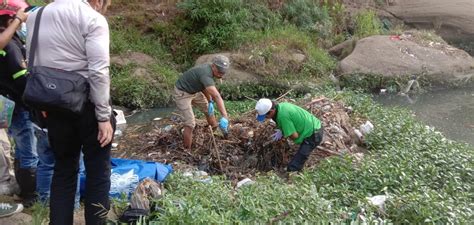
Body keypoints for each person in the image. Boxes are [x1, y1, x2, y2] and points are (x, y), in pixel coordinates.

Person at [26, 0, 115, 224]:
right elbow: (98, 72)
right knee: (98, 175)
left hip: (54, 107)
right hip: (88, 106)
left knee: (64, 171)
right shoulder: (93, 19)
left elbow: (32, 63)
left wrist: (44, 104)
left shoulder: (36, 15)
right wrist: (103, 117)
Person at [0, 8, 38, 207]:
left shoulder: (6, 42)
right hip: (21, 105)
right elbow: (21, 78)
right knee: (29, 150)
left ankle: (24, 189)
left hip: (9, 104)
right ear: (9, 21)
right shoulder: (11, 46)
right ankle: (31, 195)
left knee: (21, 148)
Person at [173, 55, 230, 149]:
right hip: (182, 93)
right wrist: (225, 116)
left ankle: (215, 132)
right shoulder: (205, 73)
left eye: (223, 73)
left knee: (208, 110)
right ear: (213, 66)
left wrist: (210, 100)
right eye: (219, 71)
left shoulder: (210, 71)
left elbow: (204, 86)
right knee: (190, 123)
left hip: (194, 91)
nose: (220, 74)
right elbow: (217, 96)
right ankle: (187, 150)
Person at [255, 98, 324, 172]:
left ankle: (293, 177)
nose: (266, 118)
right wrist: (282, 129)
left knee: (294, 166)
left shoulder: (282, 117)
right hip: (314, 125)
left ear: (271, 111)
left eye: (266, 116)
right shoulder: (281, 106)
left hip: (313, 133)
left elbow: (295, 136)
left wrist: (285, 132)